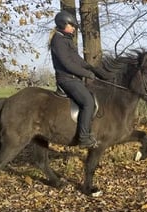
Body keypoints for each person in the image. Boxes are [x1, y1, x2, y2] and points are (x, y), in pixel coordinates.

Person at [49, 10, 106, 148]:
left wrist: (92, 69)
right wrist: (87, 74)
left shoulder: (66, 40)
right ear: (63, 24)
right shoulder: (58, 41)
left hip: (74, 79)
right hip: (67, 79)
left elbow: (77, 60)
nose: (74, 28)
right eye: (71, 25)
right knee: (88, 102)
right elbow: (67, 64)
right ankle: (84, 137)